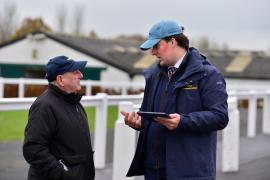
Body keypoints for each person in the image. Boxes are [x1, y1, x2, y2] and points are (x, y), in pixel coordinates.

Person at [121, 20, 229, 180]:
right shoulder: (153, 75)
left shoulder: (208, 74)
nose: (153, 52)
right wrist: (139, 123)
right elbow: (151, 117)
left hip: (189, 172)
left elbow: (220, 117)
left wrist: (183, 121)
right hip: (153, 170)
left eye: (156, 46)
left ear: (173, 42)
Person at [23, 56, 95, 180]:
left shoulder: (75, 103)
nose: (81, 75)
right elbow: (33, 149)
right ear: (60, 79)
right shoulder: (44, 106)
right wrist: (63, 173)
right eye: (75, 72)